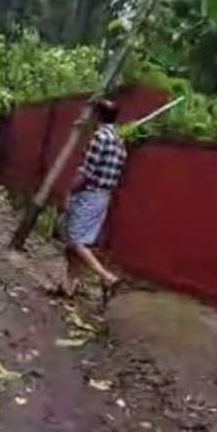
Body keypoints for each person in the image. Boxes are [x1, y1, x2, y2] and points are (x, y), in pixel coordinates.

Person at [61, 99, 126, 299]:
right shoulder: (118, 139)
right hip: (103, 195)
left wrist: (69, 191)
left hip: (89, 193)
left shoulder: (100, 137)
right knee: (78, 242)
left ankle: (107, 277)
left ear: (97, 115)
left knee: (75, 241)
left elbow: (87, 172)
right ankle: (69, 286)